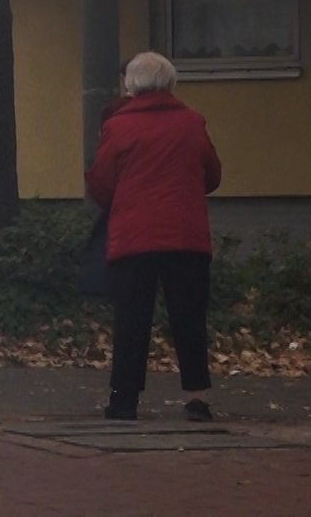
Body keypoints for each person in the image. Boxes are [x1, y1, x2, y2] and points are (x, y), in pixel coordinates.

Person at [85, 51, 223, 423]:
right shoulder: (193, 123)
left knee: (132, 319)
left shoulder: (118, 127)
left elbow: (100, 182)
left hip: (134, 238)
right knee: (189, 317)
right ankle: (197, 399)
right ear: (171, 83)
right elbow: (212, 176)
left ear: (131, 85)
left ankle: (124, 402)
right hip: (186, 236)